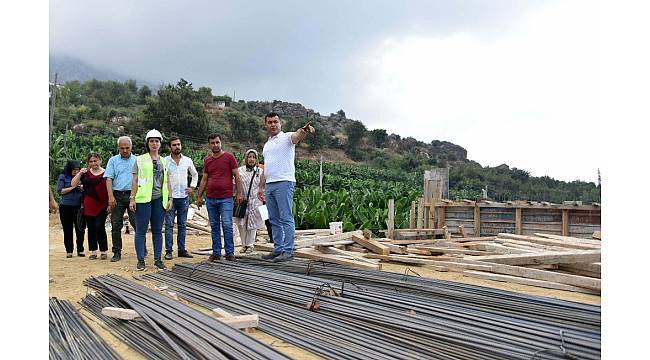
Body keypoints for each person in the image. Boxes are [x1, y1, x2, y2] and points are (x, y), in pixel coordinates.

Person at [258, 112, 314, 262]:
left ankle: (288, 251)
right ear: (266, 125)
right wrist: (261, 187)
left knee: (286, 218)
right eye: (269, 122)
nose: (273, 124)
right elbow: (266, 168)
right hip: (269, 184)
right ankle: (278, 249)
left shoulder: (287, 137)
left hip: (284, 182)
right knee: (273, 219)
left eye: (275, 121)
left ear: (280, 123)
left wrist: (304, 130)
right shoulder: (267, 145)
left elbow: (297, 136)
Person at [129, 129, 172, 271]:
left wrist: (170, 198)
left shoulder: (164, 161)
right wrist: (132, 198)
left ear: (160, 143)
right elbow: (135, 180)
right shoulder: (139, 159)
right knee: (141, 230)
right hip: (143, 199)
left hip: (159, 200)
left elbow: (168, 181)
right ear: (147, 143)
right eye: (151, 141)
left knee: (158, 231)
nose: (154, 144)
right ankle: (141, 260)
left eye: (157, 141)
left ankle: (158, 259)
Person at [196, 134, 243, 262]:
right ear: (209, 144)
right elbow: (205, 178)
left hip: (226, 198)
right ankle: (216, 253)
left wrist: (239, 193)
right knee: (215, 226)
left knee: (227, 225)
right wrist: (199, 196)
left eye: (217, 142)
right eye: (212, 143)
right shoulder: (208, 160)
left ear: (221, 143)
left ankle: (229, 253)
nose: (215, 145)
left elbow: (237, 176)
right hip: (210, 198)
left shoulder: (229, 157)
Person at [163, 136, 198, 260]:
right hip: (170, 199)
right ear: (169, 147)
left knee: (182, 225)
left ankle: (182, 250)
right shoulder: (165, 161)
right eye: (174, 145)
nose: (177, 146)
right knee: (169, 225)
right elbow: (162, 179)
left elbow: (195, 174)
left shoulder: (187, 160)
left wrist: (192, 187)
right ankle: (169, 251)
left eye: (178, 144)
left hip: (183, 198)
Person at [104, 136, 137, 262]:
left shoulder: (137, 160)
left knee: (137, 223)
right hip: (117, 195)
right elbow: (108, 179)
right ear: (118, 148)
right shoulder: (113, 161)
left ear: (131, 147)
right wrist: (110, 197)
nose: (124, 150)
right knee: (116, 224)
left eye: (127, 148)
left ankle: (141, 249)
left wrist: (135, 197)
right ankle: (116, 252)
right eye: (122, 148)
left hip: (132, 195)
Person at [71, 153, 109, 260]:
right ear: (88, 163)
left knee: (100, 226)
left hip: (102, 205)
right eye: (91, 161)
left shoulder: (106, 173)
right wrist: (79, 173)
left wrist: (111, 202)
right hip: (88, 205)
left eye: (95, 161)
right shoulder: (85, 174)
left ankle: (104, 251)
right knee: (91, 228)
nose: (93, 163)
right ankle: (93, 251)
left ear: (100, 160)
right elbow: (73, 184)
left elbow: (111, 187)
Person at [235, 149, 264, 254]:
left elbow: (264, 186)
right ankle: (243, 245)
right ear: (246, 158)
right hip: (242, 200)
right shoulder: (239, 171)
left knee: (253, 223)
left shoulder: (260, 172)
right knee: (241, 223)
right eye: (249, 157)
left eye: (254, 157)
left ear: (256, 159)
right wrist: (237, 194)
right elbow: (234, 184)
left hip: (255, 201)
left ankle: (250, 245)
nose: (251, 159)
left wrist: (263, 195)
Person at [56, 160, 85, 258]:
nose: (76, 172)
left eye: (77, 170)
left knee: (80, 229)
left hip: (78, 206)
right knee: (67, 229)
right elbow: (61, 191)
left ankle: (80, 249)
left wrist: (81, 188)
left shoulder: (81, 177)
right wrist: (73, 188)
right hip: (66, 206)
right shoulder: (63, 176)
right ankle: (69, 250)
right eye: (74, 170)